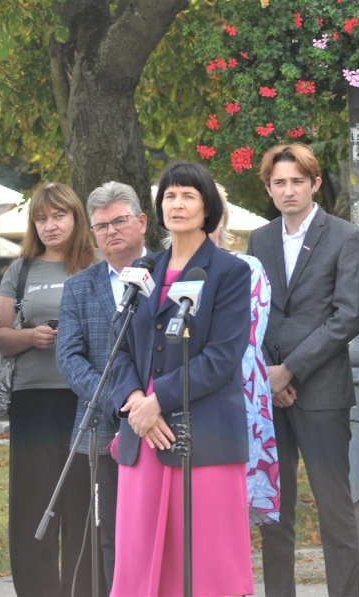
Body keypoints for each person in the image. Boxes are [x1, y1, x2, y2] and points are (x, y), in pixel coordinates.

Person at [108, 161, 253, 596]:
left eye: (188, 195)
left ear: (208, 207)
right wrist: (136, 401)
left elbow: (222, 356)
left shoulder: (229, 271)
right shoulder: (143, 268)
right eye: (169, 195)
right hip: (144, 433)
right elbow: (119, 346)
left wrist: (157, 401)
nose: (177, 203)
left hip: (204, 435)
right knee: (139, 557)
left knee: (205, 562)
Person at [247, 143, 359, 597]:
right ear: (268, 188)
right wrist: (270, 375)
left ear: (315, 183)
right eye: (279, 182)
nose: (288, 190)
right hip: (270, 394)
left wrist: (291, 370)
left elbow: (347, 317)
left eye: (297, 181)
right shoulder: (259, 240)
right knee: (274, 513)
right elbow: (255, 313)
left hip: (322, 392)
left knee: (334, 510)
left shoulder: (345, 237)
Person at [0, 182, 97, 597]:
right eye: (41, 219)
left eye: (59, 216)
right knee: (32, 503)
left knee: (82, 506)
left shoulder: (97, 264)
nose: (50, 225)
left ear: (76, 218)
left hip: (86, 399)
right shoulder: (21, 270)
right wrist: (30, 336)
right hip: (33, 399)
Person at [56, 181, 149, 595]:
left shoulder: (171, 274)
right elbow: (68, 357)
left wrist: (150, 403)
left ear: (141, 222)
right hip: (104, 427)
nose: (111, 231)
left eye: (120, 221)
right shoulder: (80, 286)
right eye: (101, 226)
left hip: (165, 422)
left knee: (162, 531)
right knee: (110, 535)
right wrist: (119, 400)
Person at [208, 183, 280, 525]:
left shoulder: (246, 269)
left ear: (221, 217)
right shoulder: (160, 270)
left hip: (236, 398)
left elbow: (244, 344)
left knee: (228, 518)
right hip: (173, 403)